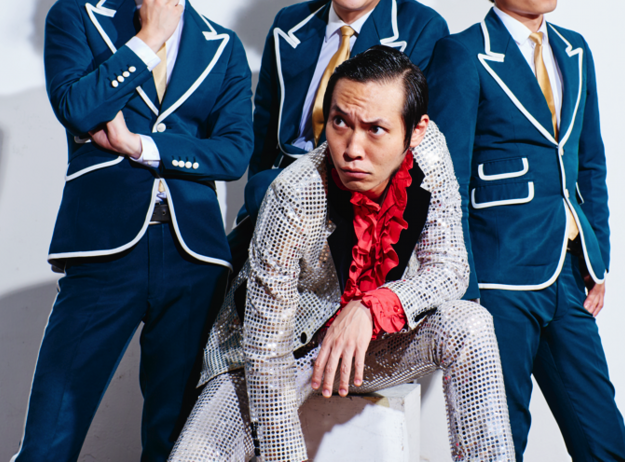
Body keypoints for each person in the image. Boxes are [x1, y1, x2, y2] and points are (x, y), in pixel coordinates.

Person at [11, 0, 253, 462]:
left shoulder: (223, 48)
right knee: (51, 434)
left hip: (193, 256)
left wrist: (141, 147)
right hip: (104, 246)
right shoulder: (77, 17)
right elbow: (78, 106)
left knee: (174, 439)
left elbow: (233, 152)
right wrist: (147, 41)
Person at [170, 47, 514, 462]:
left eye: (375, 130)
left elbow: (451, 268)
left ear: (416, 131)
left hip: (369, 348)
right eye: (340, 123)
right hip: (273, 357)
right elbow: (265, 349)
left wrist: (374, 307)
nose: (352, 148)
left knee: (471, 323)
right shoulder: (294, 194)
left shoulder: (430, 153)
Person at [427, 0, 625, 461]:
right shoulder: (462, 54)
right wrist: (464, 290)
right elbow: (443, 180)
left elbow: (590, 164)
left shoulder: (575, 51)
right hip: (497, 280)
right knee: (499, 442)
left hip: (567, 275)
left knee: (604, 440)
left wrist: (596, 258)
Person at [237, 0, 449, 233]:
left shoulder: (421, 28)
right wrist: (252, 206)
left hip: (364, 202)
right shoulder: (289, 24)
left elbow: (419, 143)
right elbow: (265, 127)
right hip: (279, 196)